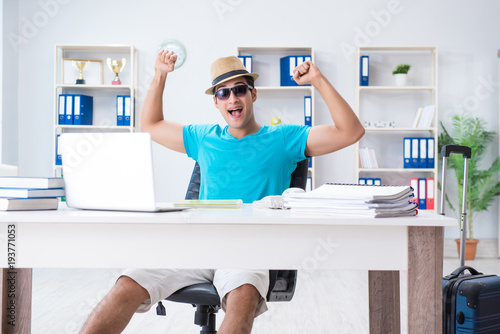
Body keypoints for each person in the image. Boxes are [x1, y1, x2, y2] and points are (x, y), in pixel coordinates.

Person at [79, 51, 364, 334]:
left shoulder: (284, 138)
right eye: (223, 93)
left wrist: (318, 79)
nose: (233, 98)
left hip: (249, 250)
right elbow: (150, 125)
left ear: (253, 94)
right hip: (197, 247)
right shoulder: (203, 138)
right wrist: (160, 75)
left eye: (240, 90)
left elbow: (351, 132)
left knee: (243, 297)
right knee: (127, 283)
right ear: (216, 102)